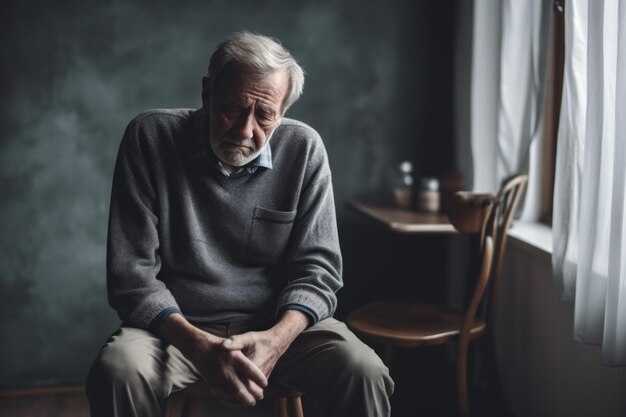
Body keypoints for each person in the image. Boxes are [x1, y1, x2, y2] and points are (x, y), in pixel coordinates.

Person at [85, 31, 393, 417]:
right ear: (207, 93)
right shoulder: (150, 137)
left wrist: (275, 341)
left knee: (362, 370)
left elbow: (319, 273)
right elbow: (132, 277)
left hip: (278, 327)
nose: (246, 131)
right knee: (118, 370)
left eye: (264, 115)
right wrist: (199, 345)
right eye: (232, 107)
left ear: (281, 114)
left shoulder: (304, 150)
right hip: (175, 328)